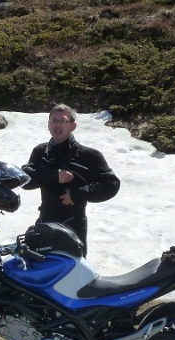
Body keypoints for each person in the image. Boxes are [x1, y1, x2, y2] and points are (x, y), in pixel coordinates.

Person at [21, 104, 120, 256]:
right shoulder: (41, 152)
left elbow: (111, 184)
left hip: (73, 227)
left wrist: (78, 193)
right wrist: (55, 175)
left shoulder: (89, 155)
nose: (57, 125)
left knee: (73, 269)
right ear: (48, 125)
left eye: (63, 121)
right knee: (38, 268)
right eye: (54, 120)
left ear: (73, 126)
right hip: (45, 223)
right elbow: (25, 179)